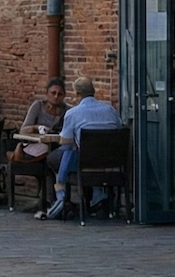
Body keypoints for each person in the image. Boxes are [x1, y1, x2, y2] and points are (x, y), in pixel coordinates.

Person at [41, 76, 124, 219]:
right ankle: (98, 196)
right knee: (80, 153)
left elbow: (65, 142)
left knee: (57, 157)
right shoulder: (110, 110)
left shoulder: (73, 113)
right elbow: (119, 129)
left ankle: (62, 196)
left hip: (85, 163)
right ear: (94, 91)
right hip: (111, 164)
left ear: (77, 94)